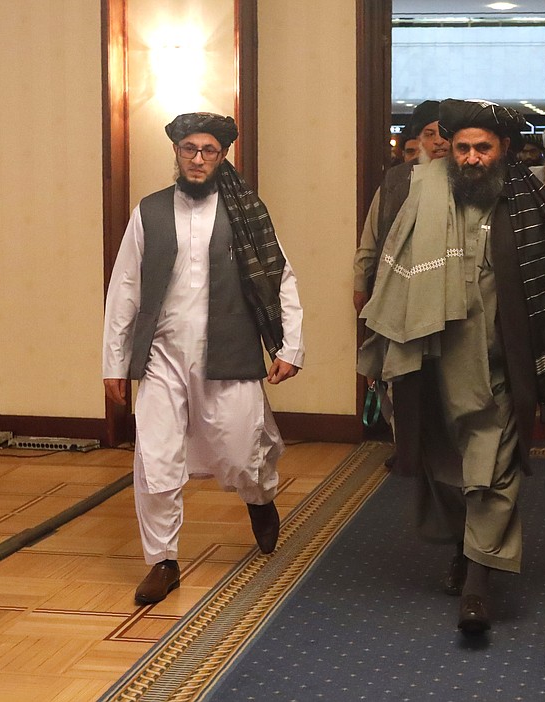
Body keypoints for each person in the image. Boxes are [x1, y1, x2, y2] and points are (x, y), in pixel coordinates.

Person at [358, 98, 545, 634]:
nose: (473, 158)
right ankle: (466, 544)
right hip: (425, 357)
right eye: (463, 148)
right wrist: (377, 346)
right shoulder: (408, 192)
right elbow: (374, 268)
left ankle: (480, 578)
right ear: (448, 149)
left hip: (500, 363)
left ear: (503, 149)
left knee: (494, 468)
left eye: (483, 147)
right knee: (444, 465)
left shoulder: (528, 200)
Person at [103, 112, 305, 606]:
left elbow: (281, 278)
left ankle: (259, 497)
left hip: (229, 348)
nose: (197, 159)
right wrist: (114, 361)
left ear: (222, 156)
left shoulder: (246, 211)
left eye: (208, 150)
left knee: (239, 451)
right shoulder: (148, 211)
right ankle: (163, 560)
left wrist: (290, 345)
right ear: (176, 153)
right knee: (155, 458)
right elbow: (124, 287)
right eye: (189, 149)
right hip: (161, 355)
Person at [353, 100, 448, 314]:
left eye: (443, 133)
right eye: (430, 134)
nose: (439, 141)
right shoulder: (395, 180)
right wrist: (360, 283)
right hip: (398, 287)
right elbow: (371, 236)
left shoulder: (464, 179)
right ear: (420, 139)